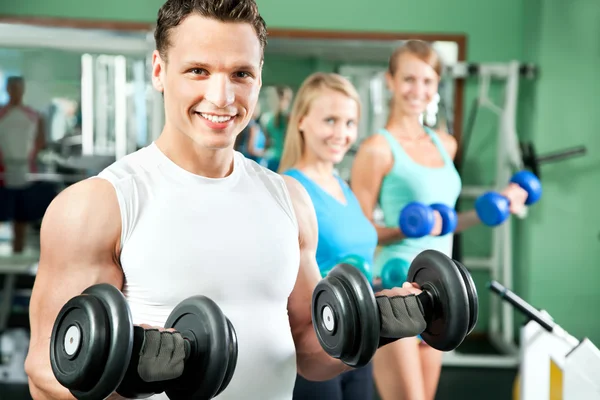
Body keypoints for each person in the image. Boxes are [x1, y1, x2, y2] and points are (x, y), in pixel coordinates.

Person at [24, 1, 421, 399]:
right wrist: (128, 378)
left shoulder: (289, 200)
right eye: (198, 71)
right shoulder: (101, 204)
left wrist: (373, 325)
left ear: (259, 79)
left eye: (240, 74)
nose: (221, 96)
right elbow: (46, 371)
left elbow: (308, 346)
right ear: (159, 71)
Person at [350, 40, 529, 400]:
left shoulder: (445, 144)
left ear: (436, 86)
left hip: (439, 286)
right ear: (390, 81)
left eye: (428, 81)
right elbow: (360, 232)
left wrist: (495, 207)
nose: (418, 90)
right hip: (397, 283)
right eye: (409, 79)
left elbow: (446, 222)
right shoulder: (377, 149)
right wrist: (404, 229)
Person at [278, 72, 377, 400]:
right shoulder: (288, 190)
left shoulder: (343, 187)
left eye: (350, 122)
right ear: (301, 120)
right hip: (317, 344)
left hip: (360, 338)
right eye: (331, 120)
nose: (342, 133)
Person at [0, 76, 46, 254]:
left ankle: (17, 252)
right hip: (4, 171)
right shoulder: (2, 113)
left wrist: (30, 157)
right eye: (12, 87)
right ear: (7, 89)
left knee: (22, 216)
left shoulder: (33, 115)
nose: (15, 91)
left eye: (18, 87)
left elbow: (40, 139)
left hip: (26, 170)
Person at [264, 85, 293, 171]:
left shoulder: (268, 120)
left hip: (271, 158)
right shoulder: (288, 119)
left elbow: (268, 143)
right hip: (284, 160)